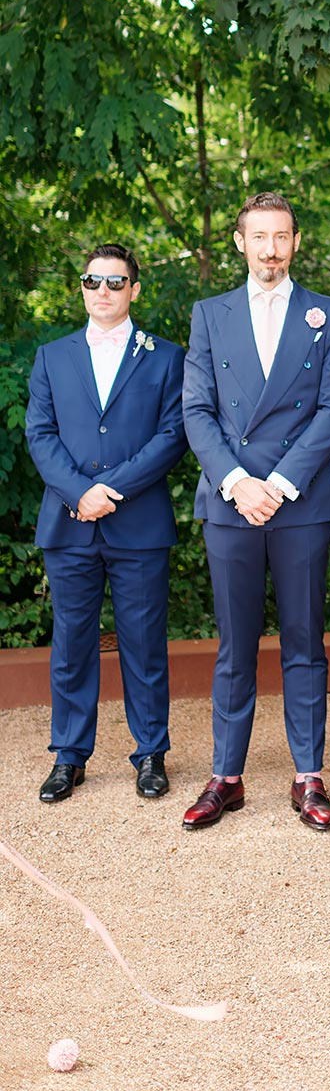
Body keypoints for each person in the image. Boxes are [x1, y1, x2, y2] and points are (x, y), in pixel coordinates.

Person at [181, 192, 330, 831]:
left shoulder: (328, 314)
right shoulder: (209, 313)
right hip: (231, 503)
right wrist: (236, 482)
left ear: (296, 242)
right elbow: (196, 409)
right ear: (240, 242)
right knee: (235, 644)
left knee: (305, 640)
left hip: (298, 501)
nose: (271, 249)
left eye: (281, 237)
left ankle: (308, 775)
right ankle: (227, 775)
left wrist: (277, 483)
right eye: (260, 237)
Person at [25, 244, 187, 803]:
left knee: (144, 644)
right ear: (82, 287)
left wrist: (109, 490)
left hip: (137, 522)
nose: (103, 291)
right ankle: (69, 757)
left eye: (116, 282)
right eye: (93, 281)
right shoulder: (52, 356)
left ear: (134, 290)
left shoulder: (166, 357)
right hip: (69, 522)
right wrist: (79, 492)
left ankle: (150, 754)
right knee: (71, 642)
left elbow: (173, 436)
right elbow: (40, 434)